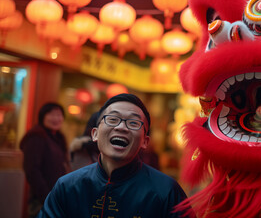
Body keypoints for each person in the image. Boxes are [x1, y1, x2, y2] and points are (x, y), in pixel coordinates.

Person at [37, 93, 193, 218]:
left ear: (145, 141)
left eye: (133, 123)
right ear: (95, 134)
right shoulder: (68, 187)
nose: (121, 127)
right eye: (112, 119)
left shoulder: (166, 191)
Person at [20, 102, 70, 217]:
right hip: (42, 200)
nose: (56, 119)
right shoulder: (36, 137)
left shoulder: (58, 138)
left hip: (56, 198)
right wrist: (47, 198)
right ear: (42, 117)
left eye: (59, 115)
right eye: (52, 115)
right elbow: (32, 170)